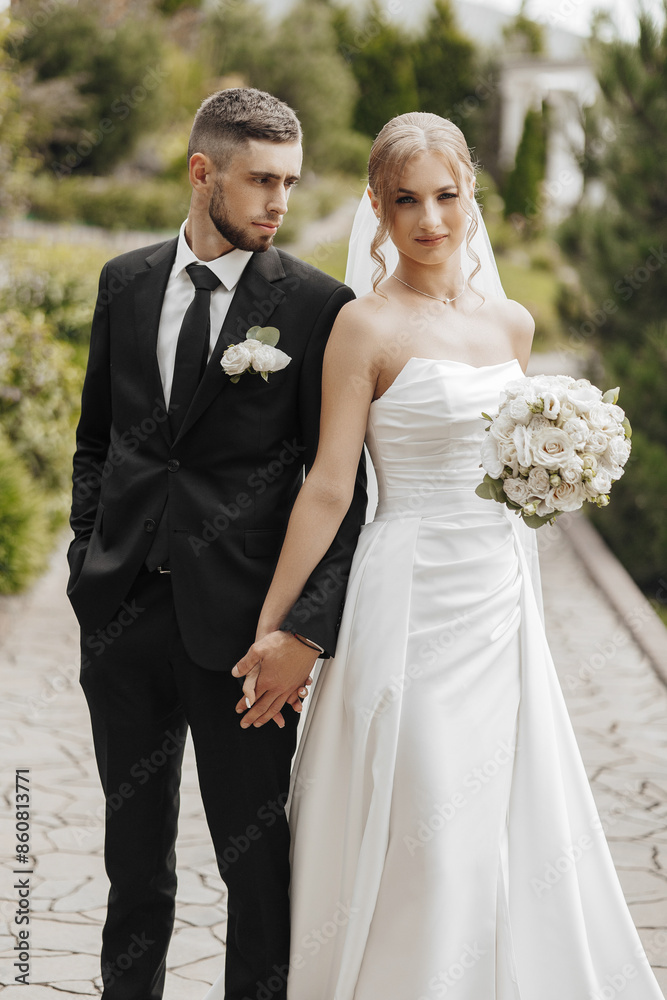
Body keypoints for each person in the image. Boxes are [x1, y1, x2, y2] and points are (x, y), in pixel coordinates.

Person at [228, 113, 665, 999]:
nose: (430, 220)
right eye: (406, 202)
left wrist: (555, 477)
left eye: (446, 196)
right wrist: (274, 623)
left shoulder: (512, 325)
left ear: (471, 194)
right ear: (377, 212)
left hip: (498, 593)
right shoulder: (365, 327)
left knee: (498, 815)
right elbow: (329, 488)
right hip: (411, 591)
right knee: (427, 809)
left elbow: (509, 470)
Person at [67, 87, 366, 1000]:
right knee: (132, 861)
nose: (280, 202)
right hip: (122, 617)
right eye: (262, 180)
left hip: (246, 636)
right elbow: (97, 439)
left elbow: (341, 488)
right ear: (203, 173)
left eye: (290, 181)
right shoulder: (124, 282)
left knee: (256, 865)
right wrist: (88, 557)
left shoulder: (319, 308)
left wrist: (303, 633)